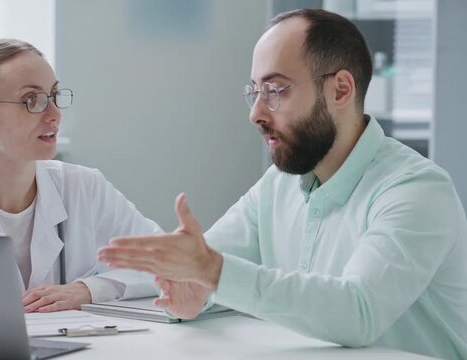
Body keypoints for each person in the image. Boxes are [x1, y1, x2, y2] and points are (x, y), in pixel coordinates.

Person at [98, 9, 467, 360]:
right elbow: (212, 263)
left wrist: (212, 273)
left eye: (276, 90)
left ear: (340, 90)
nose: (255, 113)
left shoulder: (416, 189)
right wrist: (195, 290)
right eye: (255, 91)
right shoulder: (279, 185)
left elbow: (359, 312)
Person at [0, 39, 161, 313]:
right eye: (32, 100)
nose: (55, 115)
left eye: (55, 96)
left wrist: (89, 289)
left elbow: (165, 263)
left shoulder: (85, 187)